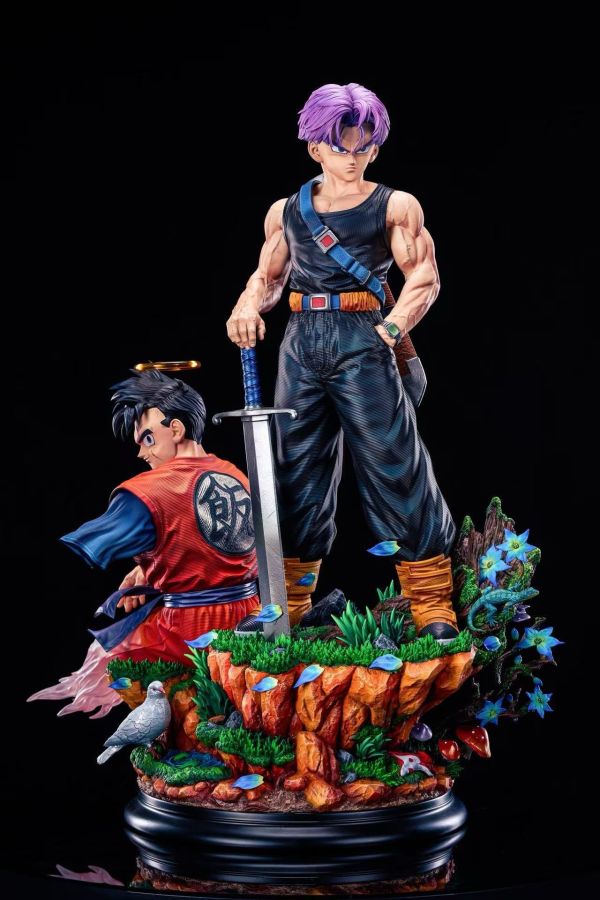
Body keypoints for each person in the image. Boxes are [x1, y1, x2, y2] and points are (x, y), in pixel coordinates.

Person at [226, 82, 458, 639]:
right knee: (294, 468)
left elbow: (424, 277)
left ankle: (431, 602)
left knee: (394, 461)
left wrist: (393, 327)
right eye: (339, 147)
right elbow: (268, 277)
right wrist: (245, 304)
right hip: (301, 343)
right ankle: (288, 604)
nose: (352, 158)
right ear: (315, 148)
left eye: (363, 147)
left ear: (375, 148)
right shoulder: (287, 211)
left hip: (362, 337)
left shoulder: (395, 206)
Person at [28, 369, 259, 717]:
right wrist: (148, 568)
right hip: (250, 615)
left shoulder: (147, 492)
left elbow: (81, 549)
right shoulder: (234, 473)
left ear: (176, 429)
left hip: (188, 631)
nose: (141, 453)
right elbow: (207, 544)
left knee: (107, 662)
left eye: (147, 438)